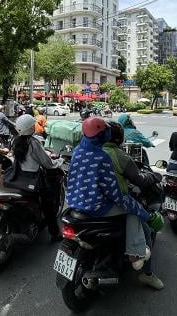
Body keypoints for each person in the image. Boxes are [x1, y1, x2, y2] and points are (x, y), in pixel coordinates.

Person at [66, 117, 163, 289]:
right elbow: (114, 193)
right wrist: (141, 211)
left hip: (75, 201)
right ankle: (136, 255)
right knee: (135, 210)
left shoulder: (78, 150)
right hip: (97, 206)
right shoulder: (102, 156)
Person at [12, 114, 63, 240]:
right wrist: (59, 161)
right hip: (33, 179)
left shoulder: (15, 141)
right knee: (49, 205)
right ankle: (55, 233)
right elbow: (47, 163)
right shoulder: (33, 142)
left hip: (17, 177)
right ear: (31, 128)